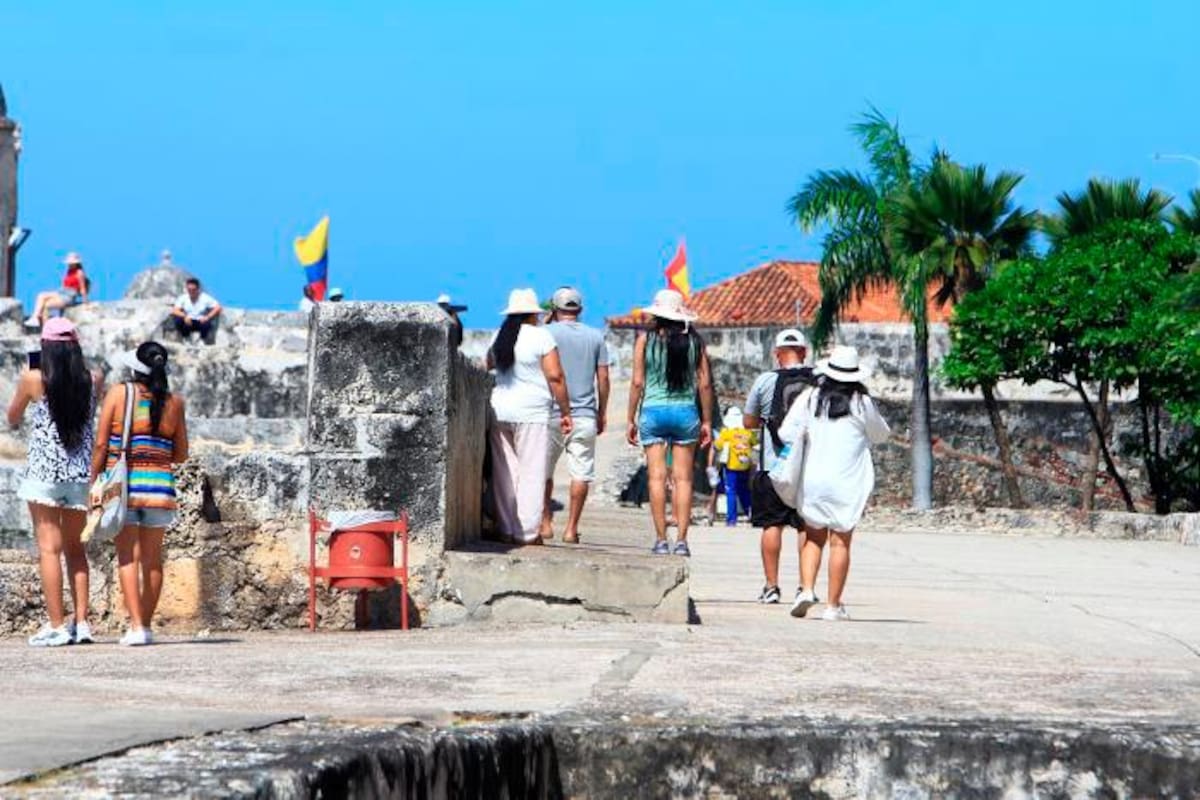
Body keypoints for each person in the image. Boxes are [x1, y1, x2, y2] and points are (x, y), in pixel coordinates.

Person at [778, 345, 890, 621]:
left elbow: (786, 432)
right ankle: (833, 606)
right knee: (840, 543)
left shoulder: (811, 397)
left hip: (814, 478)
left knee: (813, 538)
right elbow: (881, 435)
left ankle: (806, 589)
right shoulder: (861, 403)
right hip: (846, 481)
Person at [7, 318, 99, 646]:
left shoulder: (34, 378)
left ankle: (57, 625)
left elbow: (12, 417)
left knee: (49, 550)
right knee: (77, 550)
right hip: (78, 475)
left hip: (45, 475)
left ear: (46, 347)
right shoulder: (94, 378)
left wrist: (29, 375)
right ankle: (82, 623)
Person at [91, 342, 189, 645]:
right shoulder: (175, 402)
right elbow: (181, 454)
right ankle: (144, 625)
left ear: (135, 369)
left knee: (127, 558)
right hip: (159, 489)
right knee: (153, 560)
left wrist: (93, 481)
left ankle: (135, 626)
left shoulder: (119, 394)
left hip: (125, 487)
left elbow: (101, 444)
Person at [626, 289, 712, 556]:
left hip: (653, 411)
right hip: (685, 412)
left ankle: (661, 540)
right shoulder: (695, 341)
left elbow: (637, 382)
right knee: (683, 479)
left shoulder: (645, 340)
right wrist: (707, 420)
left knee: (656, 477)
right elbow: (705, 384)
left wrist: (630, 418)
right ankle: (682, 541)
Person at [487, 289, 572, 545]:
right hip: (531, 412)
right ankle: (526, 532)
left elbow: (487, 364)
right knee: (532, 471)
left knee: (504, 471)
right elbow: (555, 376)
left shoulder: (499, 335)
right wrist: (566, 411)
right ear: (533, 314)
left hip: (500, 409)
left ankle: (506, 528)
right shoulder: (541, 336)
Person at [743, 328, 818, 605]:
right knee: (805, 527)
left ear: (777, 354)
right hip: (808, 466)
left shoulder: (765, 381)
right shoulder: (818, 381)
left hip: (773, 466)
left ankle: (771, 587)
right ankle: (805, 586)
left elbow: (748, 422)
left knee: (771, 525)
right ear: (804, 352)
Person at [538, 287, 610, 544]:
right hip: (585, 414)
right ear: (579, 309)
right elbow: (603, 378)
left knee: (543, 471)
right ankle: (571, 529)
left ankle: (545, 523)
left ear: (554, 309)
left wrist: (546, 322)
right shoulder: (596, 337)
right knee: (580, 472)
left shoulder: (545, 333)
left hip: (550, 413)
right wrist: (602, 412)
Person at [714, 405, 755, 526]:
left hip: (731, 466)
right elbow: (755, 443)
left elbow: (717, 445)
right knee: (744, 490)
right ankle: (751, 513)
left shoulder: (727, 432)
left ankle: (731, 519)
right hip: (745, 465)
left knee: (730, 491)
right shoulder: (748, 432)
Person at [25, 252, 89, 328]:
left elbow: (82, 288)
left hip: (69, 296)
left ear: (76, 263)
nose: (70, 265)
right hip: (62, 292)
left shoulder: (79, 273)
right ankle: (36, 319)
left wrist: (85, 302)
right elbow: (65, 284)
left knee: (46, 305)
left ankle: (46, 327)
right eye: (69, 263)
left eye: (72, 263)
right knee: (41, 295)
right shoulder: (69, 271)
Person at [170, 278, 222, 344]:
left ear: (198, 289)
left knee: (207, 323)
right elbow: (174, 310)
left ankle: (202, 340)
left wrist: (207, 317)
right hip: (188, 321)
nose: (191, 292)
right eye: (189, 290)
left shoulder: (205, 297)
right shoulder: (183, 297)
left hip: (200, 321)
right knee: (178, 319)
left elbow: (218, 307)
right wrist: (184, 316)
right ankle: (186, 338)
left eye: (193, 290)